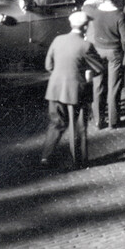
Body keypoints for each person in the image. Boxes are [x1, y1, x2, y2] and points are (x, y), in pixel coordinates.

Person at [40, 12, 104, 166]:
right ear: (85, 26)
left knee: (56, 122)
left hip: (55, 88)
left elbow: (48, 66)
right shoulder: (86, 45)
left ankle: (45, 156)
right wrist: (87, 72)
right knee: (79, 125)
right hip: (77, 89)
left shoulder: (58, 40)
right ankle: (79, 159)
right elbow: (99, 67)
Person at [87, 0, 125, 129]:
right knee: (114, 86)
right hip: (114, 52)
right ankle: (113, 120)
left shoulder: (95, 13)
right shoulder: (119, 15)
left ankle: (99, 120)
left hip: (98, 51)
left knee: (98, 84)